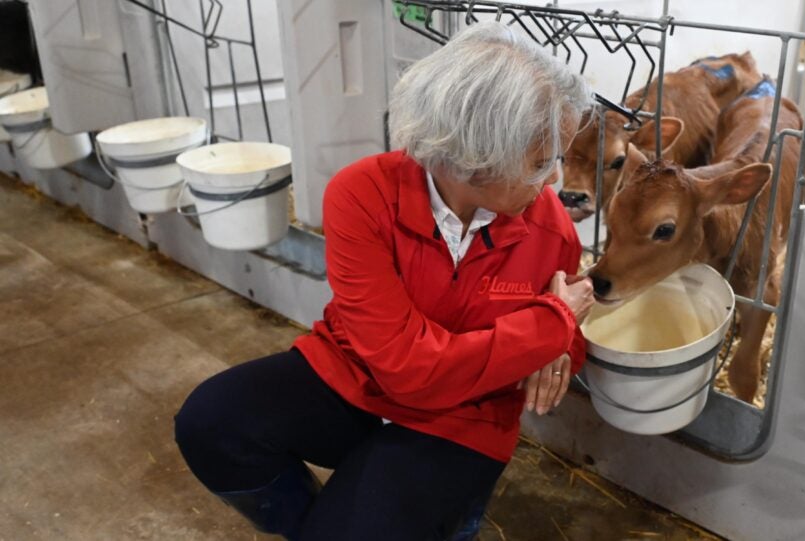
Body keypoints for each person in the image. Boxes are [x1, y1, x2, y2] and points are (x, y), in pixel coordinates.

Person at [173, 21, 596, 541]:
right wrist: (547, 329)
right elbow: (409, 367)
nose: (555, 178)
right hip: (357, 374)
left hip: (466, 418)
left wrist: (561, 343)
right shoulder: (362, 194)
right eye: (540, 161)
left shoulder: (548, 223)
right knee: (211, 420)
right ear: (479, 154)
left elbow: (568, 328)